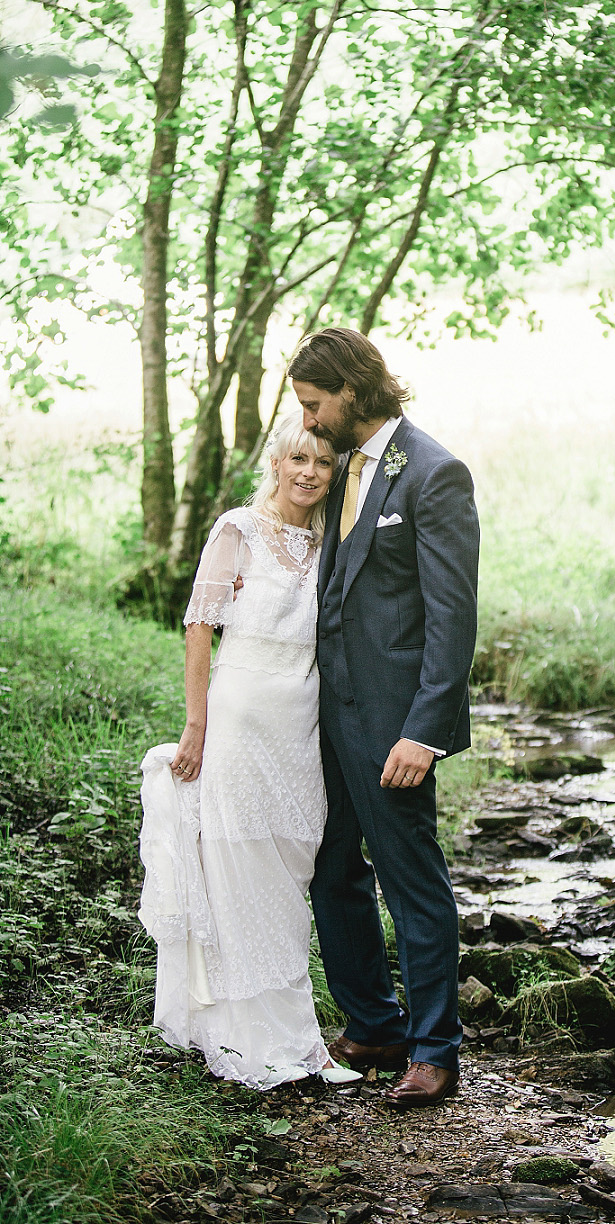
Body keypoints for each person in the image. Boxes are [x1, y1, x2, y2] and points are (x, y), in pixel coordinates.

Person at [138, 414, 362, 1091]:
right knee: (237, 871)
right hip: (238, 718)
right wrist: (195, 728)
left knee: (289, 873)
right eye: (299, 458)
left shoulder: (334, 541)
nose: (309, 473)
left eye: (323, 464)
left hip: (301, 723)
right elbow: (199, 631)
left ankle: (297, 1036)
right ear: (276, 461)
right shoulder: (238, 530)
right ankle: (241, 1037)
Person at [288, 327, 480, 1110]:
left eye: (315, 402)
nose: (307, 420)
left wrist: (424, 731)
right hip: (319, 713)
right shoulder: (334, 468)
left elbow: (452, 616)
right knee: (331, 870)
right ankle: (373, 1025)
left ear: (357, 388)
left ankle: (436, 1051)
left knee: (411, 879)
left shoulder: (434, 473)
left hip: (396, 722)